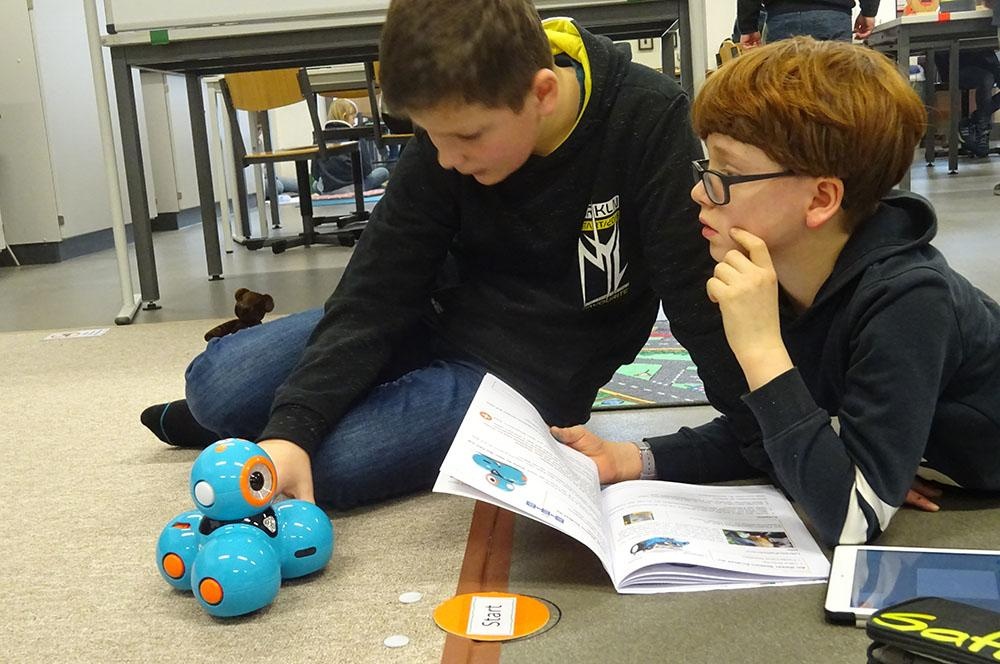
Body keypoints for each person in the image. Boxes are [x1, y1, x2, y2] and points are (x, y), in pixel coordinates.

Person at [140, 0, 752, 509]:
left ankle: (255, 428)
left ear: (541, 93)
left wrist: (759, 428)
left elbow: (696, 295)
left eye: (466, 137)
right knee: (215, 385)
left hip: (525, 378)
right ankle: (251, 420)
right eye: (428, 135)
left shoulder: (646, 118)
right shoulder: (452, 131)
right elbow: (375, 288)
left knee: (340, 465)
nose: (446, 158)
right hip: (427, 321)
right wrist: (293, 426)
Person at [553, 37, 1000, 547]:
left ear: (821, 198)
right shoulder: (788, 275)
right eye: (706, 167)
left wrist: (762, 348)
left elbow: (853, 521)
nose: (700, 191)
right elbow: (770, 428)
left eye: (728, 174)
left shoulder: (908, 300)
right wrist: (634, 459)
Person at [933, 49, 1000, 159]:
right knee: (986, 79)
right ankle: (981, 127)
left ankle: (976, 122)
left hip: (987, 62)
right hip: (957, 64)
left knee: (987, 77)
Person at [737, 0, 879, 48]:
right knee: (835, 88)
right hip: (833, 17)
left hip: (781, 18)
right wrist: (869, 11)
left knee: (784, 90)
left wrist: (748, 26)